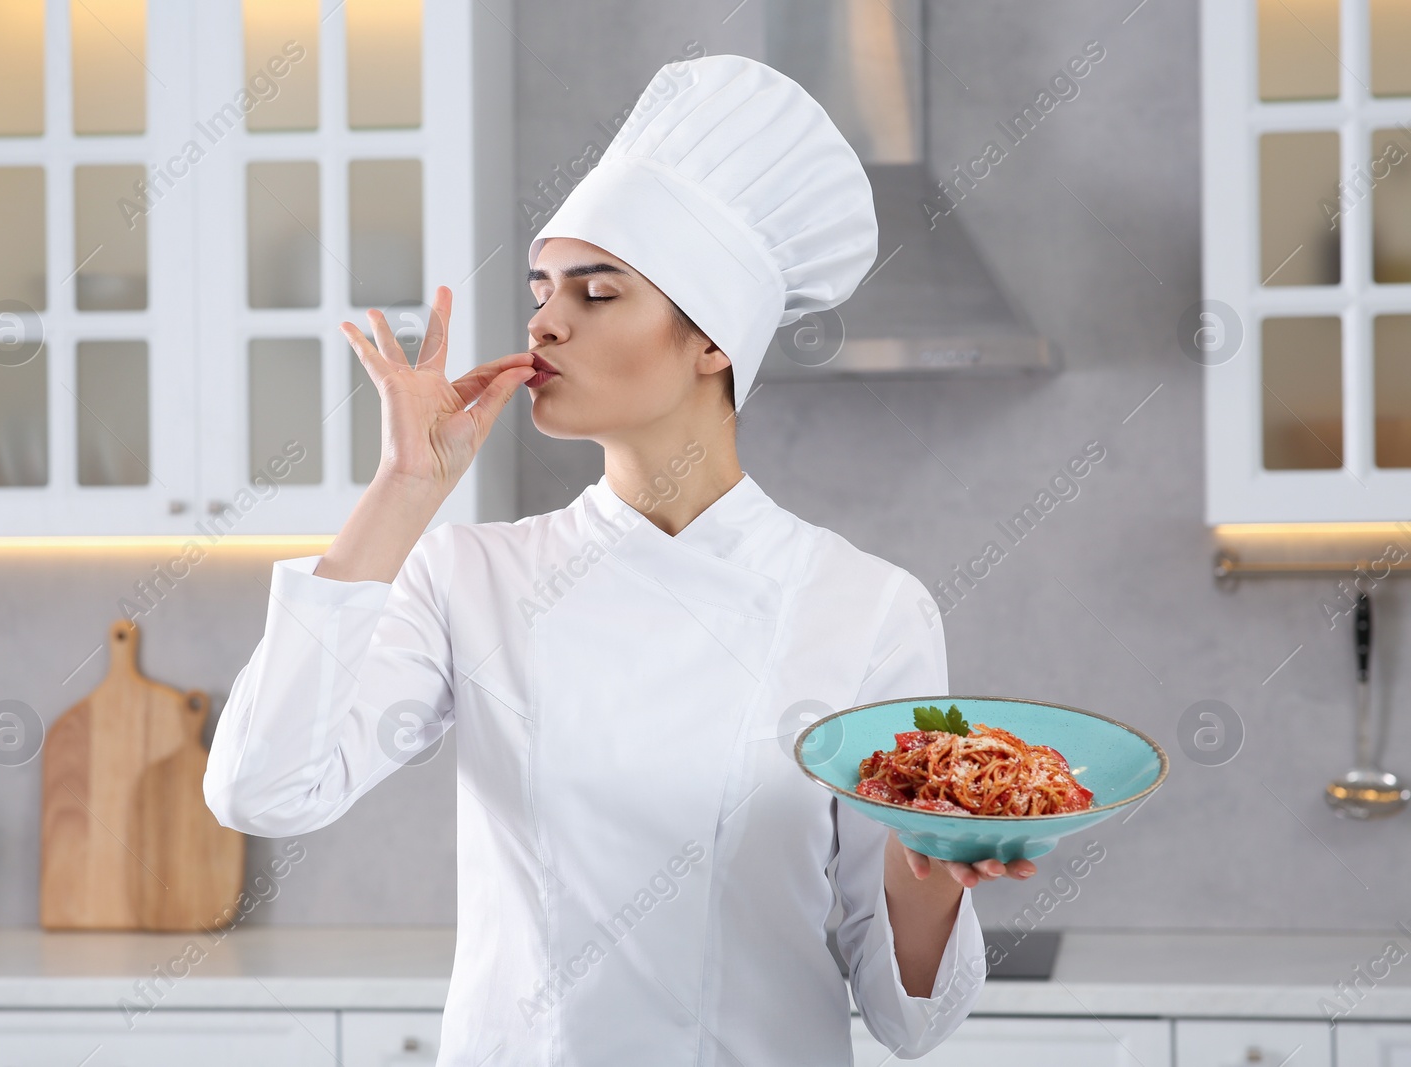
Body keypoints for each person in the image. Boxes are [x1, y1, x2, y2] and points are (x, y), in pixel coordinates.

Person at [204, 53, 1034, 1066]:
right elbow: (263, 789)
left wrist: (933, 863)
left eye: (597, 292)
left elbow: (912, 1019)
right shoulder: (470, 577)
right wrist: (404, 490)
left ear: (712, 341)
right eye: (540, 288)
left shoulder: (865, 608)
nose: (545, 321)